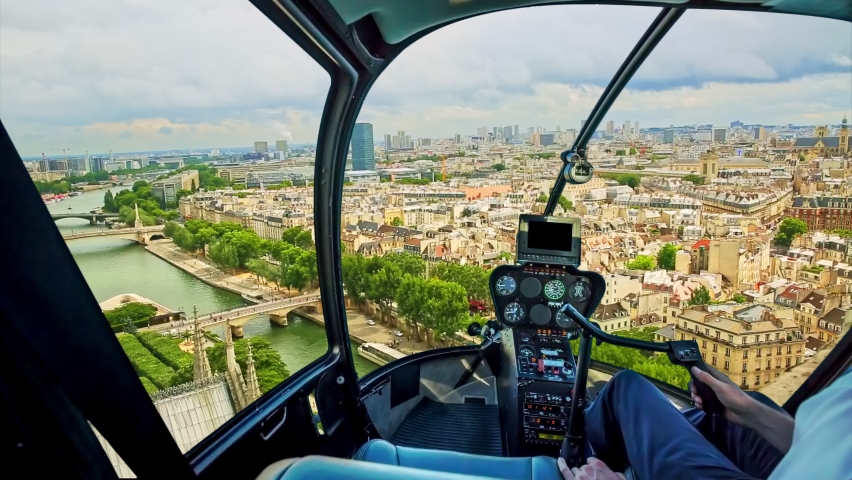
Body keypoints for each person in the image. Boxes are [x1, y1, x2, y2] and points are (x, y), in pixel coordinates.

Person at [558, 365, 852, 480]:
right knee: (736, 411)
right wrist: (748, 410)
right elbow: (830, 446)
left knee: (627, 388)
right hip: (817, 462)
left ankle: (584, 459)